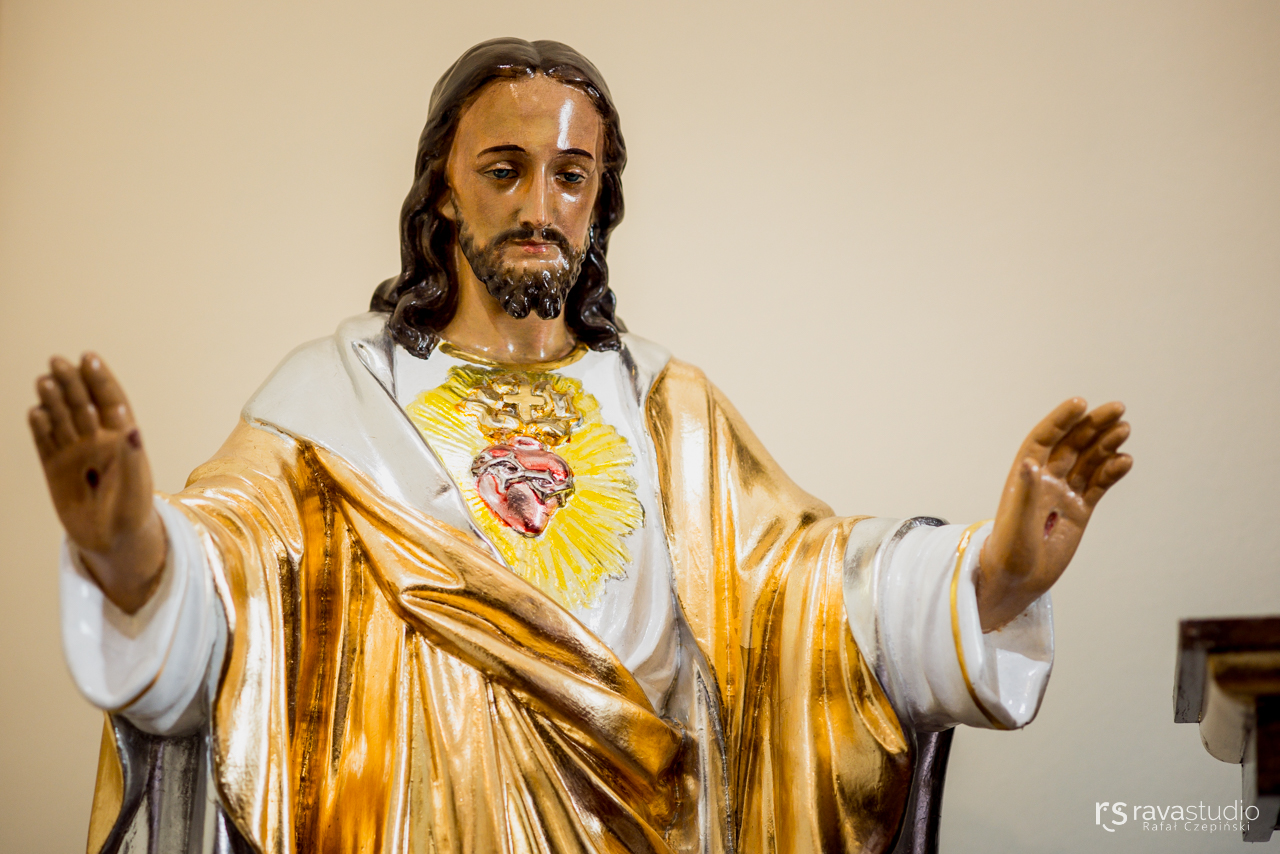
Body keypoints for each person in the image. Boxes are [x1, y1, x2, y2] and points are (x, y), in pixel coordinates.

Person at [30, 38, 1132, 854]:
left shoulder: (663, 404)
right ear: (442, 186)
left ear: (599, 199)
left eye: (570, 174)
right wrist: (130, 549)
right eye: (503, 168)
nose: (539, 203)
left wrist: (992, 576)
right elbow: (226, 583)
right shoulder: (339, 401)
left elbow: (808, 585)